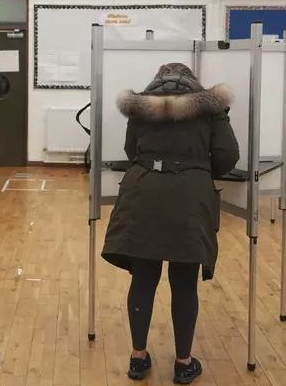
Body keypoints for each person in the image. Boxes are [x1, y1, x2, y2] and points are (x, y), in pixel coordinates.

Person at [101, 63, 239, 384]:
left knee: (144, 277)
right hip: (188, 197)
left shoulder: (141, 107)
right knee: (183, 280)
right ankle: (182, 363)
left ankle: (138, 358)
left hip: (143, 191)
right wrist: (198, 169)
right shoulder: (210, 108)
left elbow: (130, 150)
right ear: (193, 82)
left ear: (156, 80)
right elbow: (227, 155)